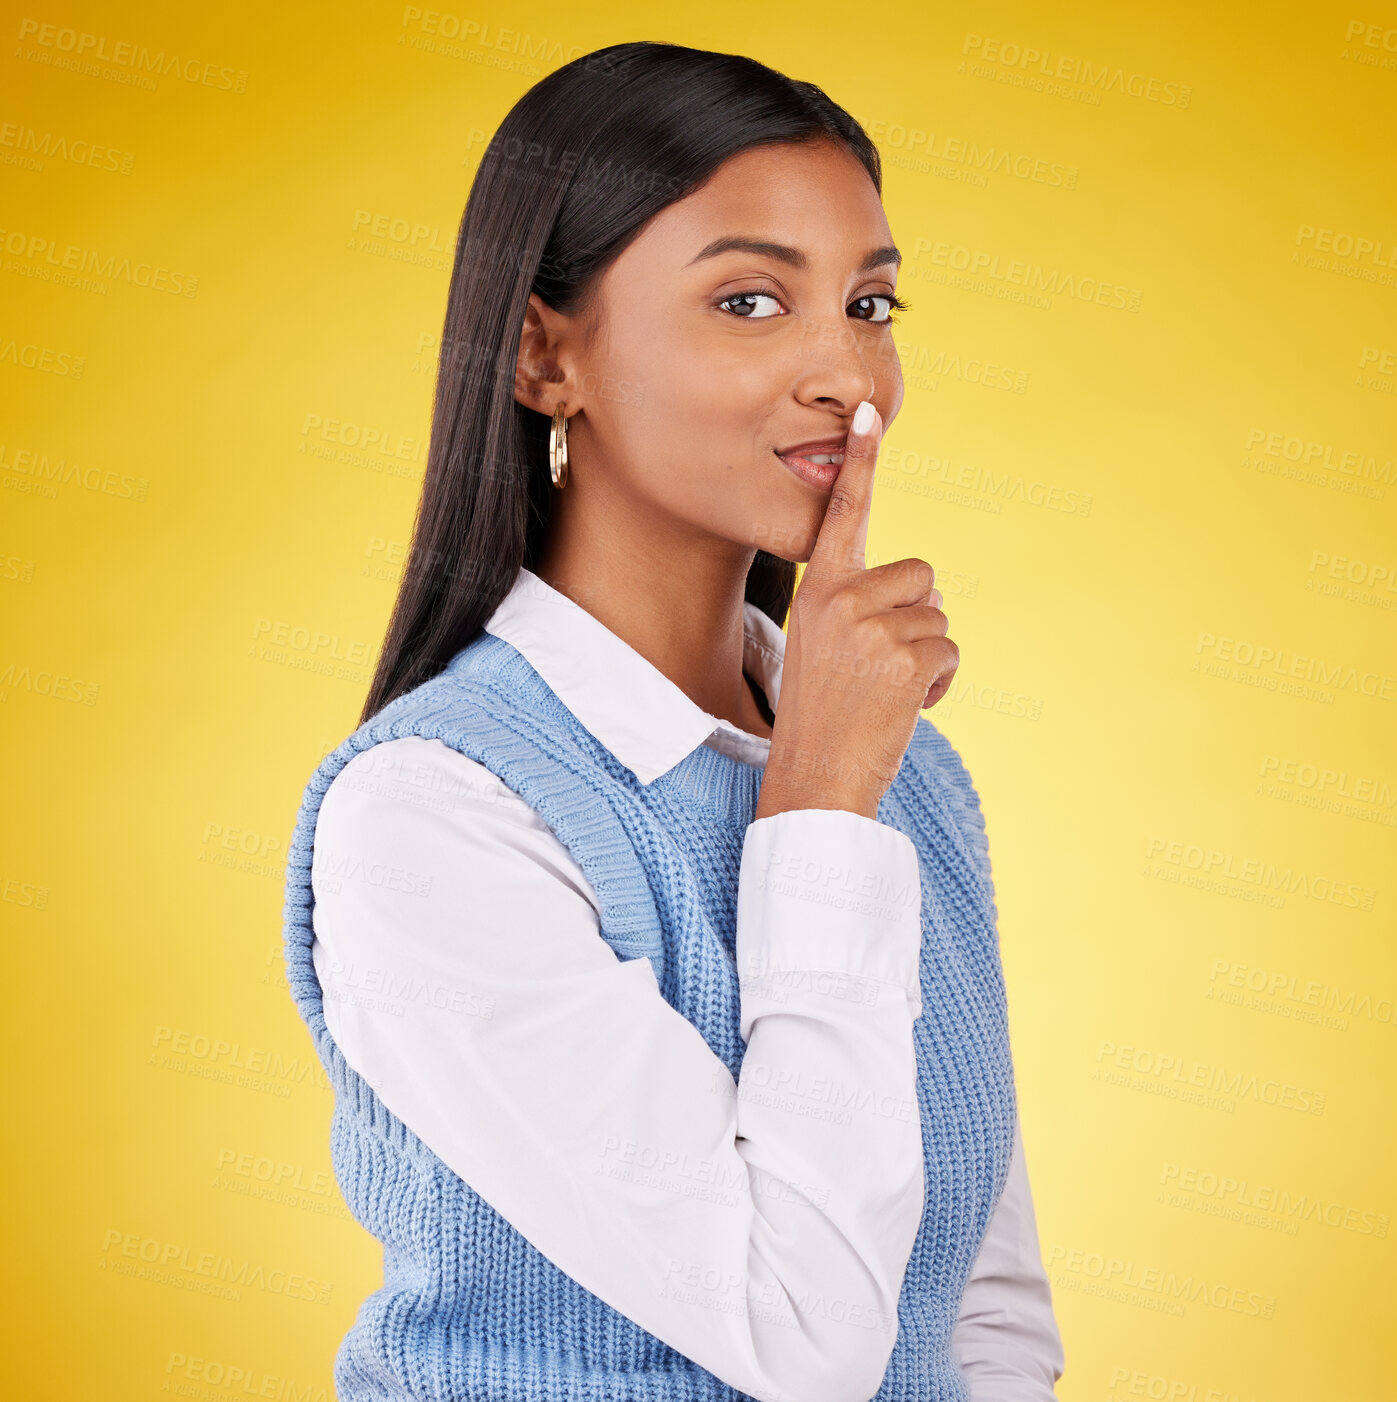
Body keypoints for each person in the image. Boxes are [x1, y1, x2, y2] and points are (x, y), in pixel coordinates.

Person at [282, 39, 1065, 1402]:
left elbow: (980, 1317)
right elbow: (802, 1335)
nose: (846, 373)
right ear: (543, 355)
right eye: (752, 300)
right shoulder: (432, 815)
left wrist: (842, 774)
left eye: (871, 303)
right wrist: (817, 802)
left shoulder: (907, 775)